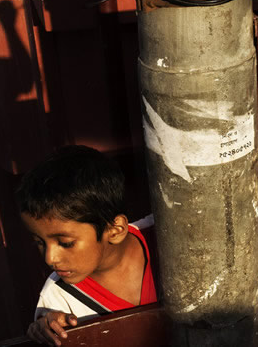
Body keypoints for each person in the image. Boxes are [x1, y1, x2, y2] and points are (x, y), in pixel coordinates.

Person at [16, 146, 157, 346]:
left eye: (66, 243)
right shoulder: (57, 300)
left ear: (115, 230)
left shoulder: (168, 237)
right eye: (39, 242)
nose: (50, 258)